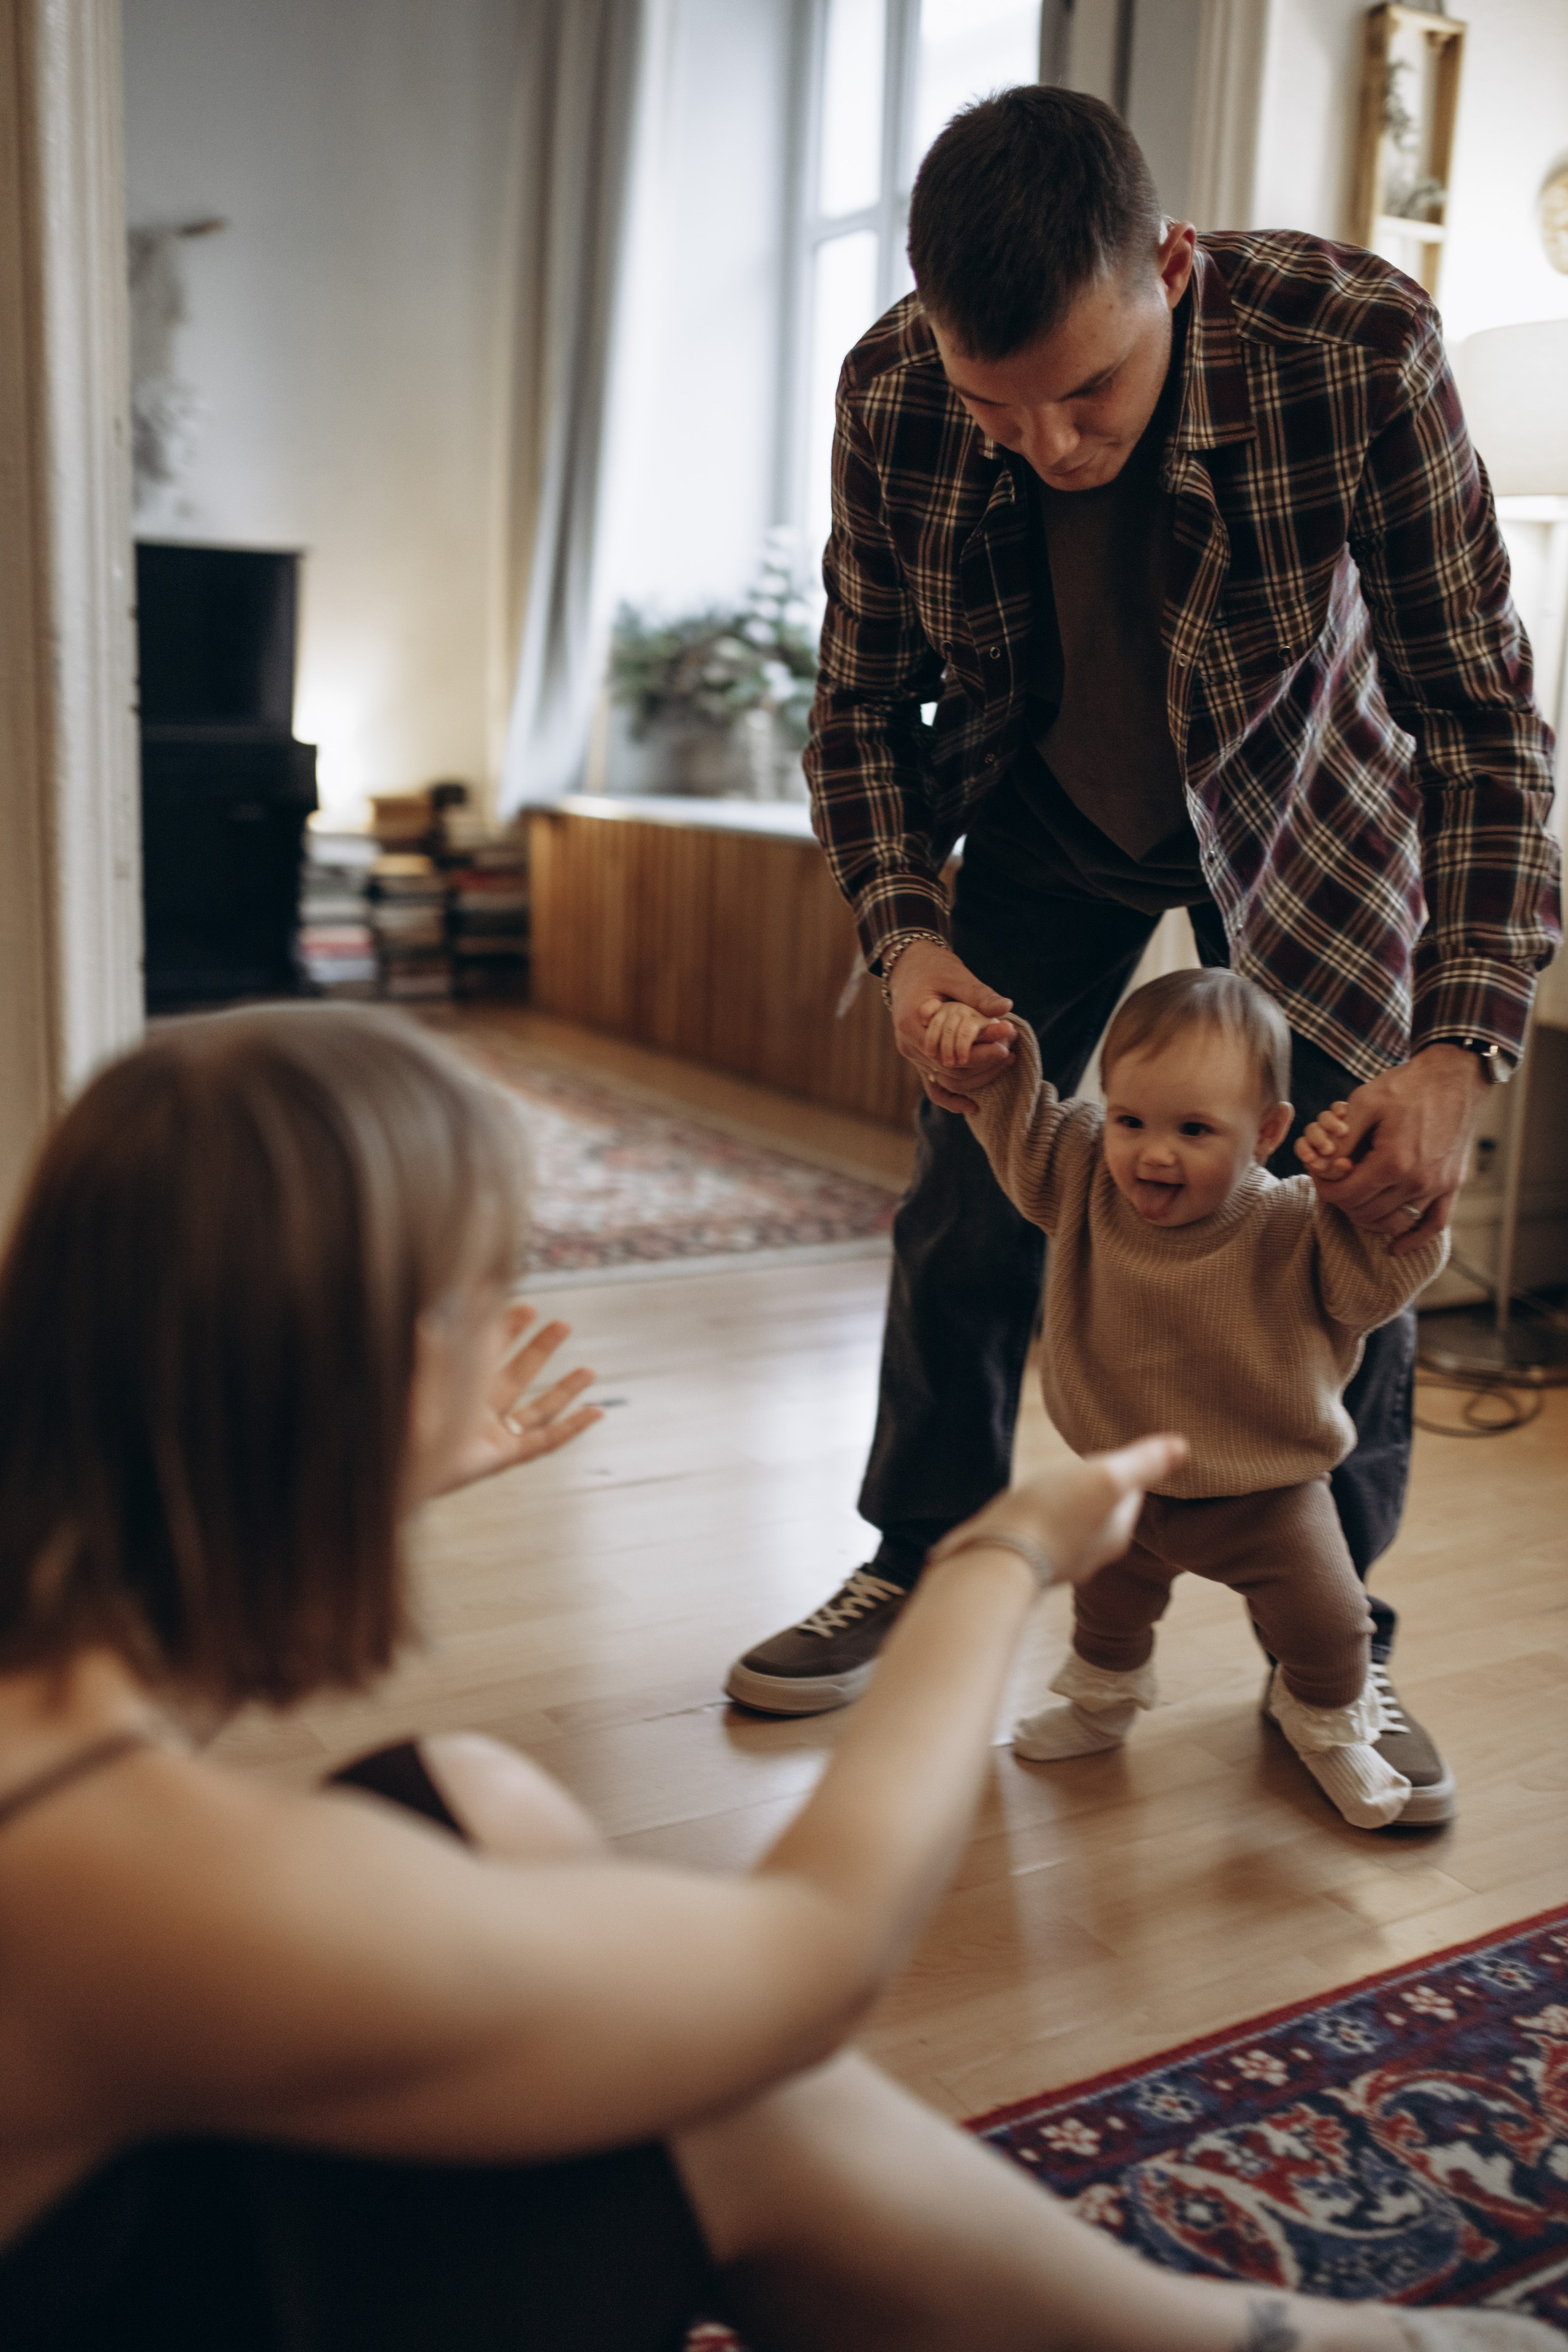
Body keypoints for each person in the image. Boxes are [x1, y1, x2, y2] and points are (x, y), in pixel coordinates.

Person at [2, 1004, 1556, 2352]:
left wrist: (344, 1483)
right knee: (723, 2090)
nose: (484, 1337)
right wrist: (991, 1563)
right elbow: (806, 1961)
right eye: (454, 1306)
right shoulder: (122, 1881)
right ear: (328, 1372)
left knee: (472, 1802)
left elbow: (128, 1723)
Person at [725, 88, 1562, 1810]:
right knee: (968, 1204)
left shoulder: (1355, 351)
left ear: (1172, 271)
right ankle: (923, 1557)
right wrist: (906, 943)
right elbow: (863, 709)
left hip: (1311, 820)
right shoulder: (891, 395)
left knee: (1366, 1218)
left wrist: (1457, 1048)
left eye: (1090, 390)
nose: (1046, 443)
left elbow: (1477, 718)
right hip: (1041, 807)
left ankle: (1342, 1645)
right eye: (996, 403)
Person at [919, 964, 1448, 1828]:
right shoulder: (1086, 1175)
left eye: (1196, 1129)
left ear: (1267, 1131)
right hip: (1122, 1480)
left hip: (1267, 1491)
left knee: (1332, 1624)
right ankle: (1102, 1704)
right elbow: (1022, 1126)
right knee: (1107, 1613)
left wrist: (1384, 1213)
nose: (1152, 1153)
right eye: (1130, 1119)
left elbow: (1368, 1294)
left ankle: (1322, 1726)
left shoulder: (1295, 1222)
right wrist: (989, 1067)